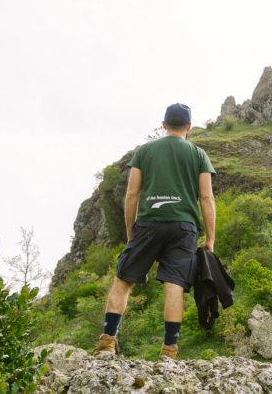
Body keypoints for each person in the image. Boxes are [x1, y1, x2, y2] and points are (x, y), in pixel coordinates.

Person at [92, 103, 216, 360]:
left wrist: (131, 233)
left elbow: (132, 194)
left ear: (164, 125)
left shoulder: (145, 151)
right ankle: (169, 351)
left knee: (123, 281)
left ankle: (107, 345)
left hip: (148, 224)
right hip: (185, 228)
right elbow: (206, 197)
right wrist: (210, 239)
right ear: (189, 127)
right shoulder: (199, 154)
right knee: (174, 286)